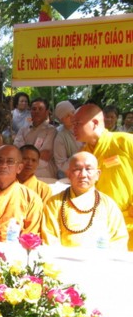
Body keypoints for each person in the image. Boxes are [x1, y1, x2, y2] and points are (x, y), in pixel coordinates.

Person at [73, 104, 133, 248]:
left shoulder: (124, 141)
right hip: (100, 223)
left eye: (77, 124)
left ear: (94, 123)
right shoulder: (83, 154)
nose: (73, 128)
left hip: (129, 219)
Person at [42, 152, 128, 249]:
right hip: (64, 257)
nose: (83, 175)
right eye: (77, 169)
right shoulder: (54, 202)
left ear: (97, 174)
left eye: (88, 169)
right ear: (68, 174)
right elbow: (50, 238)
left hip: (101, 258)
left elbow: (119, 239)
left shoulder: (108, 204)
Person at [14, 98, 57, 178]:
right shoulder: (23, 130)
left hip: (44, 173)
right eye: (34, 109)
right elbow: (17, 151)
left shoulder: (51, 131)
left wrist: (25, 157)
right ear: (30, 111)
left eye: (40, 109)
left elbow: (46, 155)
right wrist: (36, 155)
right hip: (23, 172)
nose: (37, 111)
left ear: (47, 112)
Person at [53, 100, 83, 178]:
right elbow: (61, 165)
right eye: (67, 116)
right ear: (61, 120)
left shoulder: (85, 126)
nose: (72, 116)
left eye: (73, 112)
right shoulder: (60, 137)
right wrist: (80, 153)